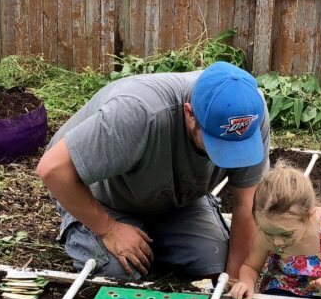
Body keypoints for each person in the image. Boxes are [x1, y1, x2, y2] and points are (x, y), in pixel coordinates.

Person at [35, 61, 269, 280]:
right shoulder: (138, 113)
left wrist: (235, 279)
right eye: (218, 145)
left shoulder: (250, 114)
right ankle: (88, 229)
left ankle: (151, 234)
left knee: (213, 262)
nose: (230, 156)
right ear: (189, 114)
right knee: (119, 272)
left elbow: (246, 204)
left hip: (177, 198)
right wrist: (109, 229)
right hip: (104, 196)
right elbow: (52, 169)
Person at [228, 164, 321, 299]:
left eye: (286, 234)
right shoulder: (267, 234)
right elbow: (251, 266)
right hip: (287, 285)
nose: (277, 241)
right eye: (268, 232)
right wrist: (246, 282)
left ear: (309, 216)